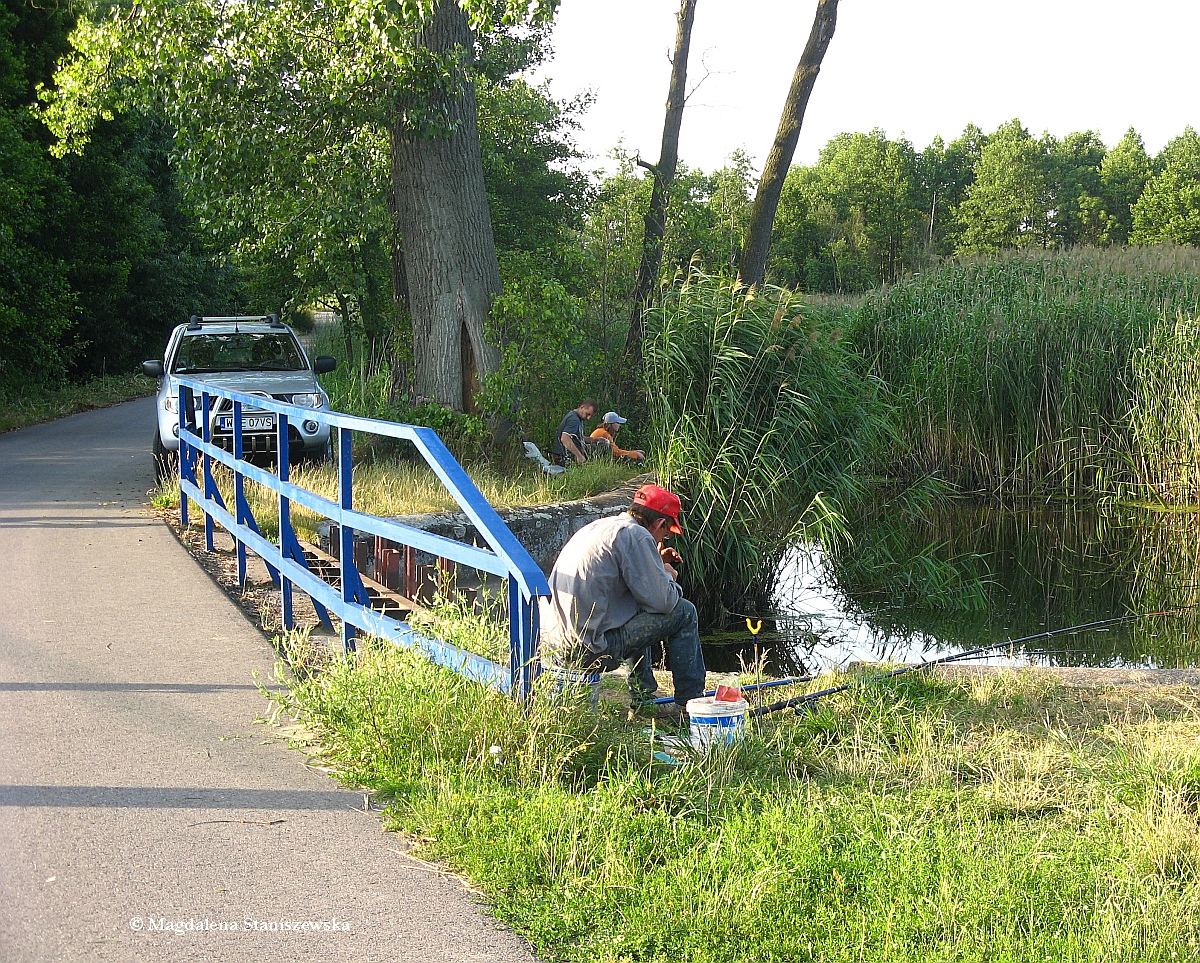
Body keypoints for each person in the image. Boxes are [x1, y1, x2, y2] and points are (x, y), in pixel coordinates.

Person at [539, 484, 706, 719]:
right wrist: (668, 574)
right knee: (685, 612)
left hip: (555, 647)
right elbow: (665, 603)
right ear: (659, 524)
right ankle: (689, 707)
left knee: (640, 605)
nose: (664, 537)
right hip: (588, 652)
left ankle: (644, 699)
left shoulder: (603, 527)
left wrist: (655, 561)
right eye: (666, 533)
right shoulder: (637, 536)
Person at [553, 398, 598, 465]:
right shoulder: (574, 419)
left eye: (591, 416)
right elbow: (565, 438)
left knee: (600, 445)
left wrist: (594, 440)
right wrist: (579, 456)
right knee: (602, 449)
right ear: (582, 407)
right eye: (587, 414)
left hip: (571, 454)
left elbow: (578, 438)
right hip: (565, 456)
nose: (588, 418)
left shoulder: (578, 419)